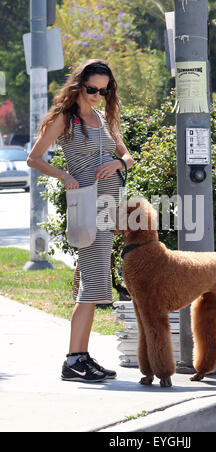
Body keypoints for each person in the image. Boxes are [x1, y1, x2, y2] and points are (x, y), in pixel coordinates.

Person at [27, 59, 135, 383]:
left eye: (104, 90)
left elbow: (128, 156)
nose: (97, 95)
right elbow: (34, 158)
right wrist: (64, 176)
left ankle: (81, 357)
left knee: (95, 282)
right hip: (86, 205)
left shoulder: (102, 118)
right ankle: (75, 360)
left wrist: (116, 164)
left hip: (106, 207)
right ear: (79, 85)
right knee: (92, 282)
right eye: (92, 89)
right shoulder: (64, 119)